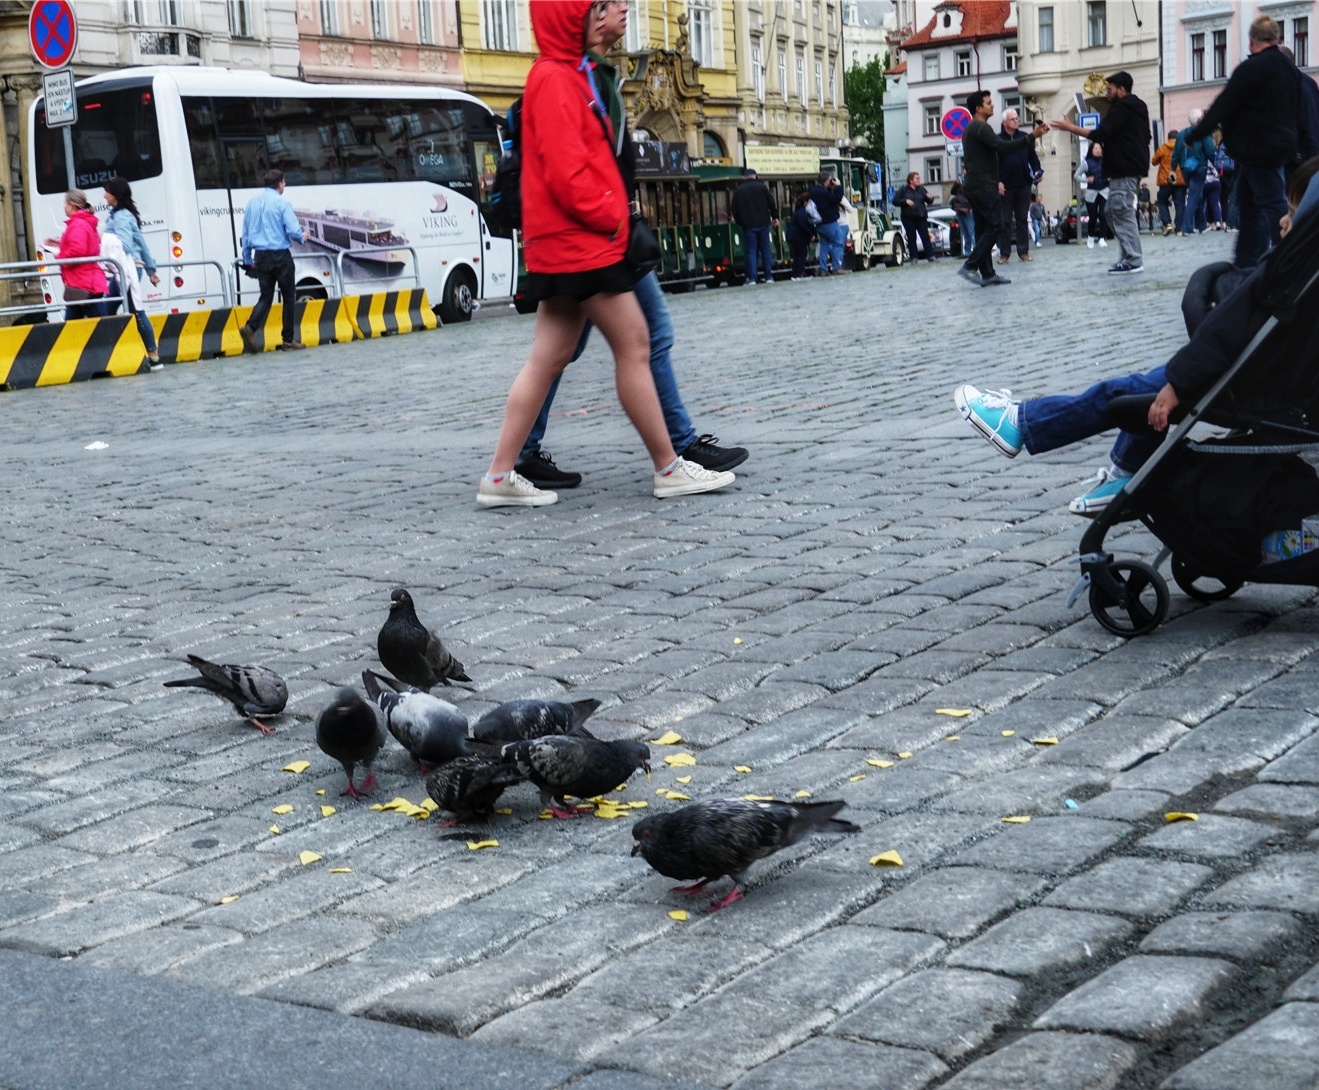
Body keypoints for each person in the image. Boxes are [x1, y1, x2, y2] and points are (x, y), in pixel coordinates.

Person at [954, 157, 1319, 516]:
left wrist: (1178, 383)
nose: (1283, 221)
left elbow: (1228, 328)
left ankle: (1020, 423)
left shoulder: (1291, 267)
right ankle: (1124, 469)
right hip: (1269, 382)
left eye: (1293, 211)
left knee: (1126, 393)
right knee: (1139, 388)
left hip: (1246, 384)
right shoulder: (1302, 268)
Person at [478, 0, 735, 508]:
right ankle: (668, 466)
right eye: (600, 6)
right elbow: (569, 173)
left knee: (549, 358)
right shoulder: (556, 78)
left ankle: (500, 474)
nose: (611, 12)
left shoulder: (565, 73)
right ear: (581, 17)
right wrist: (614, 217)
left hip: (568, 242)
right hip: (583, 242)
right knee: (636, 343)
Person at [1185, 15, 1302, 268]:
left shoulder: (1252, 68)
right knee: (1249, 205)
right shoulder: (1290, 69)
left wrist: (1195, 134)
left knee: (1272, 203)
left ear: (1252, 42)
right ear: (1277, 38)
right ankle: (1247, 262)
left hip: (1257, 148)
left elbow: (1222, 106)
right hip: (1279, 146)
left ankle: (1288, 257)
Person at [1053, 72, 1150, 275]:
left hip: (1124, 168)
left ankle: (1133, 259)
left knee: (1121, 211)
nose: (1107, 91)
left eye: (1110, 88)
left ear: (1121, 89)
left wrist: (1070, 127)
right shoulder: (1138, 108)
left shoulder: (1122, 108)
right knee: (1112, 211)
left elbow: (1099, 134)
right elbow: (1145, 136)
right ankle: (1128, 256)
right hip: (1127, 166)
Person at [956, 90, 1048, 287]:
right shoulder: (981, 128)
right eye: (988, 103)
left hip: (975, 185)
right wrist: (1031, 136)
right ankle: (970, 265)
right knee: (997, 225)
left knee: (983, 229)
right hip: (982, 185)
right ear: (978, 108)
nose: (992, 105)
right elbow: (1002, 146)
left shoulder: (973, 128)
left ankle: (988, 274)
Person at [239, 168, 306, 352]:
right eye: (284, 183)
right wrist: (303, 237)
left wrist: (247, 259)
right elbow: (293, 230)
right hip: (280, 256)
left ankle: (251, 327)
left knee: (266, 297)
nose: (284, 186)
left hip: (260, 256)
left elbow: (245, 234)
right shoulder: (282, 203)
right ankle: (288, 340)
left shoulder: (252, 203)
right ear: (279, 184)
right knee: (289, 297)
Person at [102, 177, 161, 369]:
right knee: (111, 309)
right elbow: (141, 243)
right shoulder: (119, 214)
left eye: (107, 191)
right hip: (129, 268)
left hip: (127, 269)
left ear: (116, 195)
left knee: (132, 310)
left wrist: (107, 242)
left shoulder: (121, 217)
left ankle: (153, 355)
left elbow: (125, 244)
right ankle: (149, 354)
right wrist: (151, 269)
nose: (104, 195)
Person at [43, 189, 107, 321]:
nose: (64, 207)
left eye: (65, 204)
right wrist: (60, 243)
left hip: (83, 284)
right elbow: (83, 245)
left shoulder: (77, 224)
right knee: (95, 323)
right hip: (83, 283)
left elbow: (78, 250)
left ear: (72, 205)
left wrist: (59, 256)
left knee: (103, 326)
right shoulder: (84, 222)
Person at [996, 109, 1042, 262]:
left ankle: (1023, 252)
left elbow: (1033, 157)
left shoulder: (1024, 137)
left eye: (1017, 118)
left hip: (1023, 183)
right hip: (1005, 186)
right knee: (1005, 221)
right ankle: (1004, 254)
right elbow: (993, 164)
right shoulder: (997, 140)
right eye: (1012, 119)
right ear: (1004, 123)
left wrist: (1037, 171)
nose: (1016, 121)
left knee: (1022, 219)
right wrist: (997, 181)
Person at [730, 167, 778, 285]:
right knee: (765, 250)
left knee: (751, 251)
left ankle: (752, 278)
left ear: (744, 177)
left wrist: (740, 221)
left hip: (748, 225)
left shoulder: (739, 190)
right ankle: (768, 277)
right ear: (755, 176)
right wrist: (775, 217)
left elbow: (734, 209)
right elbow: (771, 203)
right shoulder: (762, 187)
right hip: (763, 223)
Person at [1173, 109, 1216, 235]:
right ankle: (1186, 227)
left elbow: (1176, 153)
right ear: (1199, 120)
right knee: (1193, 197)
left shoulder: (1181, 134)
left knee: (1198, 195)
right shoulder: (1203, 132)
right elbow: (1209, 151)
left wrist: (1173, 168)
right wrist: (1215, 165)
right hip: (1199, 167)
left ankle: (1201, 225)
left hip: (1185, 169)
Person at [809, 169, 846, 274]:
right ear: (825, 181)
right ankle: (836, 267)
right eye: (829, 180)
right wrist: (838, 186)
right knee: (838, 242)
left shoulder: (814, 191)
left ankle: (823, 268)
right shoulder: (823, 192)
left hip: (820, 223)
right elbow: (837, 198)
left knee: (824, 246)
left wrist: (831, 188)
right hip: (830, 222)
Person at [893, 171, 935, 263]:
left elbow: (929, 201)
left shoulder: (921, 189)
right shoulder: (904, 190)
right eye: (917, 178)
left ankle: (931, 256)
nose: (919, 180)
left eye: (919, 178)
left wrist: (930, 198)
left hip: (921, 217)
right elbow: (895, 201)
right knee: (912, 238)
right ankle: (914, 258)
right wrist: (905, 201)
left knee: (925, 237)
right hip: (908, 218)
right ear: (910, 180)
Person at [1152, 132, 1186, 236]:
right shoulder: (1183, 147)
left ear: (1168, 138)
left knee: (1162, 201)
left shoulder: (1163, 148)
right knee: (1179, 204)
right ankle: (1179, 228)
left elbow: (1154, 161)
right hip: (1180, 179)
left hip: (1166, 179)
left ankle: (1167, 223)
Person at [1079, 142, 1109, 250]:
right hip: (1091, 192)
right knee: (1093, 217)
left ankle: (1102, 238)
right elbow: (1076, 175)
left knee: (1103, 214)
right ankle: (1090, 237)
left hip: (1104, 191)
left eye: (1099, 148)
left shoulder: (1106, 161)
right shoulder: (1086, 163)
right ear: (1091, 150)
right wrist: (1086, 179)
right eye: (1095, 148)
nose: (1097, 150)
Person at [786, 190, 816, 280]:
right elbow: (802, 224)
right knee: (802, 254)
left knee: (797, 255)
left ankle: (796, 273)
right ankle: (801, 273)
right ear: (805, 202)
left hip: (793, 235)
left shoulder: (798, 211)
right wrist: (811, 235)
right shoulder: (803, 212)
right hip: (798, 236)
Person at [950, 180, 974, 253]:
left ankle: (976, 250)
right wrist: (956, 184)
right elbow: (952, 192)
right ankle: (967, 251)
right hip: (960, 209)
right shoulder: (959, 183)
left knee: (971, 232)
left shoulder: (970, 181)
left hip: (968, 209)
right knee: (965, 233)